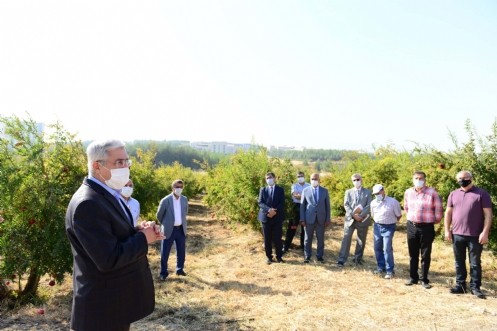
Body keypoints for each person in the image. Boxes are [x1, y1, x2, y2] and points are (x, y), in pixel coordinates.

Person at [65, 139, 164, 331]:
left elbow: (109, 235)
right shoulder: (88, 203)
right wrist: (144, 238)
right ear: (96, 166)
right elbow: (108, 259)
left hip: (112, 306)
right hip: (100, 312)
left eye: (127, 161)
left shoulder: (105, 195)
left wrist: (139, 231)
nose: (125, 167)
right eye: (119, 162)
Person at [444, 170, 493, 299]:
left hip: (476, 235)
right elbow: (448, 213)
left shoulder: (482, 194)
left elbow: (488, 214)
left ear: (471, 178)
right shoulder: (453, 194)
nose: (462, 180)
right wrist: (446, 230)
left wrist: (485, 232)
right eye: (459, 178)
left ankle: (475, 287)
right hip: (457, 234)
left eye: (465, 177)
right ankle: (460, 286)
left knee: (475, 263)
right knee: (459, 261)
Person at [404, 171, 443, 289]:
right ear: (412, 179)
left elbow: (438, 210)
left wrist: (433, 221)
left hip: (426, 227)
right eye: (416, 178)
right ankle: (413, 278)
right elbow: (406, 207)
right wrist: (412, 218)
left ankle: (424, 279)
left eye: (420, 178)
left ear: (425, 179)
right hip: (411, 226)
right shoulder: (408, 192)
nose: (418, 180)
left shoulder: (432, 193)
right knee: (413, 254)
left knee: (425, 254)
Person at [337, 174, 372, 267]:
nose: (356, 181)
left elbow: (369, 205)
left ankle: (357, 259)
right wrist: (353, 215)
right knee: (346, 239)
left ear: (361, 180)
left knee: (361, 240)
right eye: (354, 180)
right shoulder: (348, 192)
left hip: (362, 219)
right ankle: (342, 259)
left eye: (358, 179)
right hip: (350, 220)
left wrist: (360, 215)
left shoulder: (368, 192)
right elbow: (346, 205)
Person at [157, 179, 189, 280]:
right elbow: (159, 215)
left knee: (181, 251)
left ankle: (179, 269)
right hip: (168, 229)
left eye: (181, 187)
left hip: (180, 230)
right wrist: (166, 224)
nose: (179, 189)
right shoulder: (166, 200)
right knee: (165, 252)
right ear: (173, 188)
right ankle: (163, 272)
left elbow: (185, 213)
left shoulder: (184, 199)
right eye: (177, 187)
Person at [370, 184, 402, 279]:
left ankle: (389, 270)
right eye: (375, 194)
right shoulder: (373, 203)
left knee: (387, 248)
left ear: (383, 191)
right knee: (377, 247)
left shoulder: (393, 202)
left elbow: (398, 215)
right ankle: (381, 267)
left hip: (389, 227)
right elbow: (372, 215)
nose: (377, 195)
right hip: (377, 226)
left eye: (378, 193)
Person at [300, 173, 331, 263]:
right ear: (310, 180)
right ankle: (307, 256)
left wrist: (327, 219)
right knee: (307, 239)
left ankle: (320, 256)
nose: (314, 180)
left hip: (321, 219)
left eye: (316, 179)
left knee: (320, 239)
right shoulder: (305, 190)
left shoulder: (324, 191)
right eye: (312, 179)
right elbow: (302, 206)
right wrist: (302, 219)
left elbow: (327, 206)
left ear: (319, 180)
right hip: (308, 218)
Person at [258, 172, 285, 264]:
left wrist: (274, 211)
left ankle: (279, 257)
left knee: (278, 238)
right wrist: (269, 210)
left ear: (274, 178)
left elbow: (282, 203)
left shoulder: (280, 190)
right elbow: (260, 203)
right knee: (267, 239)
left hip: (277, 218)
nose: (269, 179)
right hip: (266, 217)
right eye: (267, 178)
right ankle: (269, 257)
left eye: (270, 177)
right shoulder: (263, 190)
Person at [283, 171, 310, 253]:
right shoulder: (294, 186)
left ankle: (303, 247)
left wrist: (300, 195)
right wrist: (303, 196)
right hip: (296, 208)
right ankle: (286, 247)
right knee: (292, 227)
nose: (300, 177)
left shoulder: (309, 185)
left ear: (304, 176)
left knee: (304, 228)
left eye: (301, 176)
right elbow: (295, 196)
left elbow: (308, 197)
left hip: (306, 208)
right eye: (298, 176)